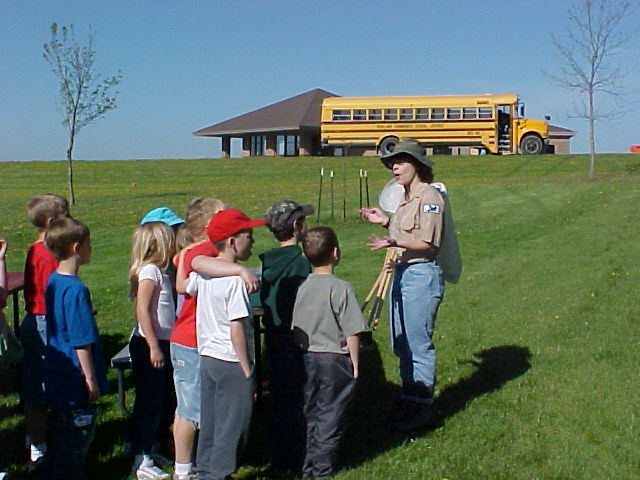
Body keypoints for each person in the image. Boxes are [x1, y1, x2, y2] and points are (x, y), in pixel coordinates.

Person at [361, 138, 445, 431]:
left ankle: (421, 407)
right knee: (401, 342)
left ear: (417, 165)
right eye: (391, 164)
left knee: (418, 343)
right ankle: (408, 398)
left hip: (421, 275)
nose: (394, 167)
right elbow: (405, 230)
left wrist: (395, 240)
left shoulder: (430, 196)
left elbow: (428, 242)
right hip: (403, 272)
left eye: (400, 162)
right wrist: (385, 222)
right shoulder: (406, 198)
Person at [170, 198, 258, 480]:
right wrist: (247, 368)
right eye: (249, 237)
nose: (253, 242)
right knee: (227, 421)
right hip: (222, 354)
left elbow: (186, 284)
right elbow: (237, 329)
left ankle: (203, 468)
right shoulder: (224, 274)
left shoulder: (205, 273)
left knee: (209, 417)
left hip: (206, 352)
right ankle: (205, 472)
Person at [291, 227, 367, 479]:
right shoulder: (341, 288)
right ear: (335, 253)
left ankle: (308, 466)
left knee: (312, 411)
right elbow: (352, 330)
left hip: (309, 357)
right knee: (331, 415)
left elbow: (296, 328)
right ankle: (322, 470)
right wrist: (355, 363)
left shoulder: (303, 287)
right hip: (335, 359)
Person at [42, 217, 108, 480]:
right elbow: (81, 339)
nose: (92, 248)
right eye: (89, 244)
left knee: (59, 434)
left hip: (58, 371)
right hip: (75, 376)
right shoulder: (77, 289)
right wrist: (90, 379)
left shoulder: (53, 280)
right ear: (76, 247)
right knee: (77, 438)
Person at [260, 199, 313, 473]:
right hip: (295, 340)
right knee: (296, 398)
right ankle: (294, 456)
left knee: (279, 395)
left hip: (273, 336)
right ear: (297, 226)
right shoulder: (300, 264)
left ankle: (277, 452)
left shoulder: (267, 261)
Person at [20, 194, 70, 473]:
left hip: (36, 319)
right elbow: (57, 293)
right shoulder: (49, 255)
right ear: (52, 222)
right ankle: (40, 447)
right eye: (67, 215)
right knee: (40, 389)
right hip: (46, 323)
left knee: (35, 388)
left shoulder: (34, 249)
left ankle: (38, 442)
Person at [128, 222, 178, 480]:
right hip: (150, 345)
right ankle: (141, 456)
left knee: (159, 399)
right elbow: (143, 310)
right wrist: (154, 346)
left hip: (162, 342)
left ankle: (150, 447)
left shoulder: (161, 271)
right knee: (149, 402)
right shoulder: (150, 272)